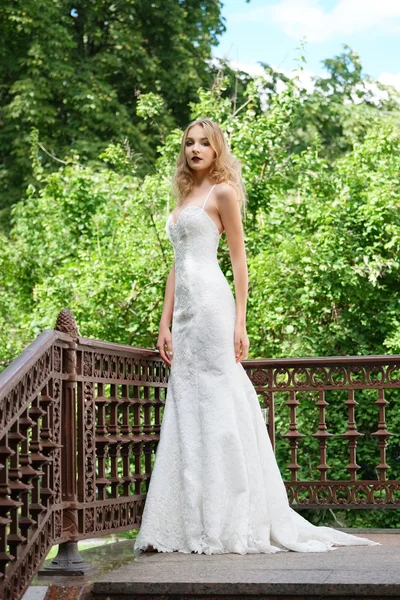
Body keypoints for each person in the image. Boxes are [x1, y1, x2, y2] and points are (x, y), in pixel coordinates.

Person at [133, 117, 378, 556]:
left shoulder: (221, 192)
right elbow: (177, 264)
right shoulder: (184, 195)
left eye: (204, 143)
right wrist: (164, 322)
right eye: (189, 143)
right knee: (187, 402)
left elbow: (240, 260)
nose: (195, 149)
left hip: (212, 307)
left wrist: (241, 321)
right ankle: (190, 517)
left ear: (217, 149)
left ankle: (232, 516)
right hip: (185, 315)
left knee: (218, 397)